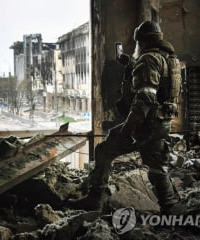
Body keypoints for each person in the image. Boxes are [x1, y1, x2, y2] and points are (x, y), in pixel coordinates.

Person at [68, 21, 182, 214]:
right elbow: (157, 83)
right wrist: (130, 63)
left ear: (142, 41)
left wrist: (128, 129)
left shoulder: (148, 59)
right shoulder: (170, 58)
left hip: (145, 124)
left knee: (104, 151)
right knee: (157, 166)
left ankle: (95, 199)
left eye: (137, 42)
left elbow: (145, 97)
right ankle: (171, 207)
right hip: (162, 122)